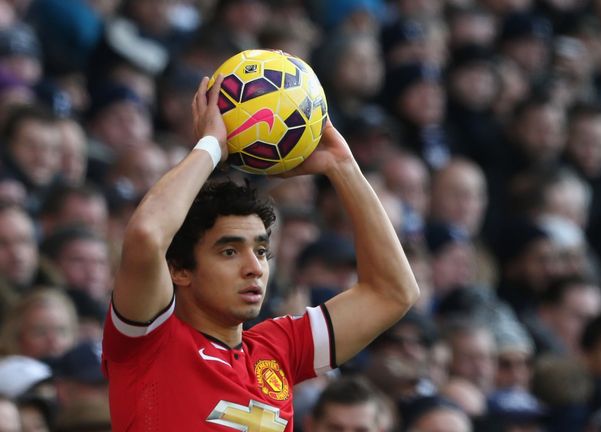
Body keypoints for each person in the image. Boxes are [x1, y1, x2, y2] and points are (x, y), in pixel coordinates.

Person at [101, 75, 420, 430]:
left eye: (262, 250)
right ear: (179, 270)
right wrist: (210, 147)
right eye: (229, 252)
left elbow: (393, 293)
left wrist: (343, 167)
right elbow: (147, 234)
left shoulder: (278, 349)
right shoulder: (150, 341)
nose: (254, 267)